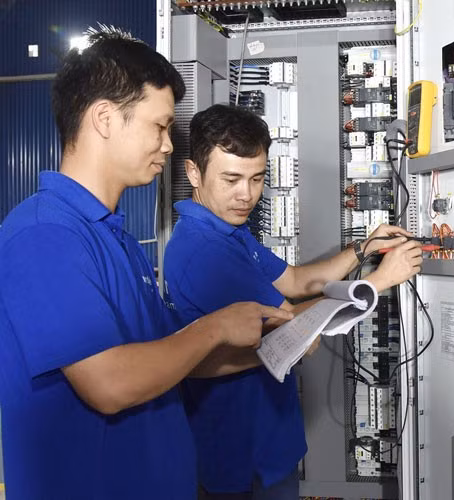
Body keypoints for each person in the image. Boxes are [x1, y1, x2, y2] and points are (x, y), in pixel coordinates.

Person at [0, 29, 292, 500]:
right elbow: (110, 383)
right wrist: (216, 327)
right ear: (105, 119)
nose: (169, 146)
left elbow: (172, 360)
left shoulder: (114, 237)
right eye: (159, 127)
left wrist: (279, 344)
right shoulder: (44, 234)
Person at [164, 103, 422, 499]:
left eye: (257, 178)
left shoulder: (229, 232)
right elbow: (285, 326)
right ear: (194, 173)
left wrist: (364, 247)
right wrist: (381, 279)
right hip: (239, 456)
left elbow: (297, 281)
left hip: (270, 441)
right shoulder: (202, 250)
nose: (246, 195)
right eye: (231, 179)